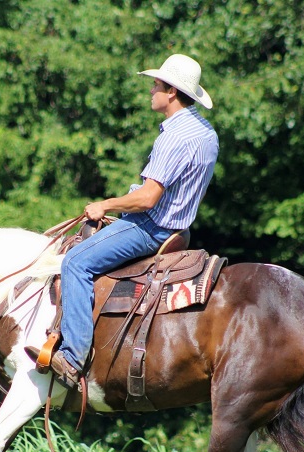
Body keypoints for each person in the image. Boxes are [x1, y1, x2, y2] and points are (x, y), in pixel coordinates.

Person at [33, 53, 219, 388]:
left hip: (152, 228)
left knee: (75, 262)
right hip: (180, 228)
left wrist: (105, 205)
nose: (151, 90)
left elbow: (148, 198)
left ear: (172, 92)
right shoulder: (206, 132)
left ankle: (73, 358)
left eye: (156, 85)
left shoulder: (174, 137)